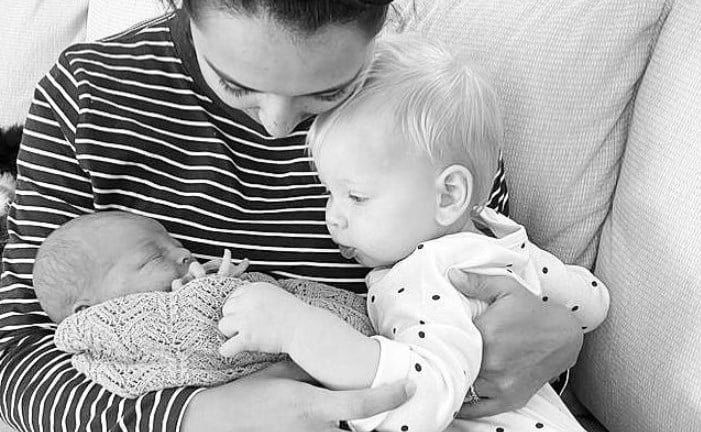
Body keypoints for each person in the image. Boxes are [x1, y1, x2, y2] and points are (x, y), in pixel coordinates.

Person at [0, 1, 583, 431]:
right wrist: (199, 417)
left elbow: (491, 293)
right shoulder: (89, 97)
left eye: (328, 93)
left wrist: (559, 343)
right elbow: (18, 356)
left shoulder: (420, 108)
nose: (277, 126)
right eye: (234, 84)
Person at [216, 35, 609, 432]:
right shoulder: (497, 245)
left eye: (356, 196)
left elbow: (417, 399)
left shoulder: (426, 273)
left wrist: (294, 329)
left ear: (449, 195)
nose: (332, 217)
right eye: (329, 192)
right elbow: (592, 301)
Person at [32, 210, 374, 398]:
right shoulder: (114, 334)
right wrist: (218, 294)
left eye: (175, 243)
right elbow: (204, 335)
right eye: (154, 257)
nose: (184, 253)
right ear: (90, 312)